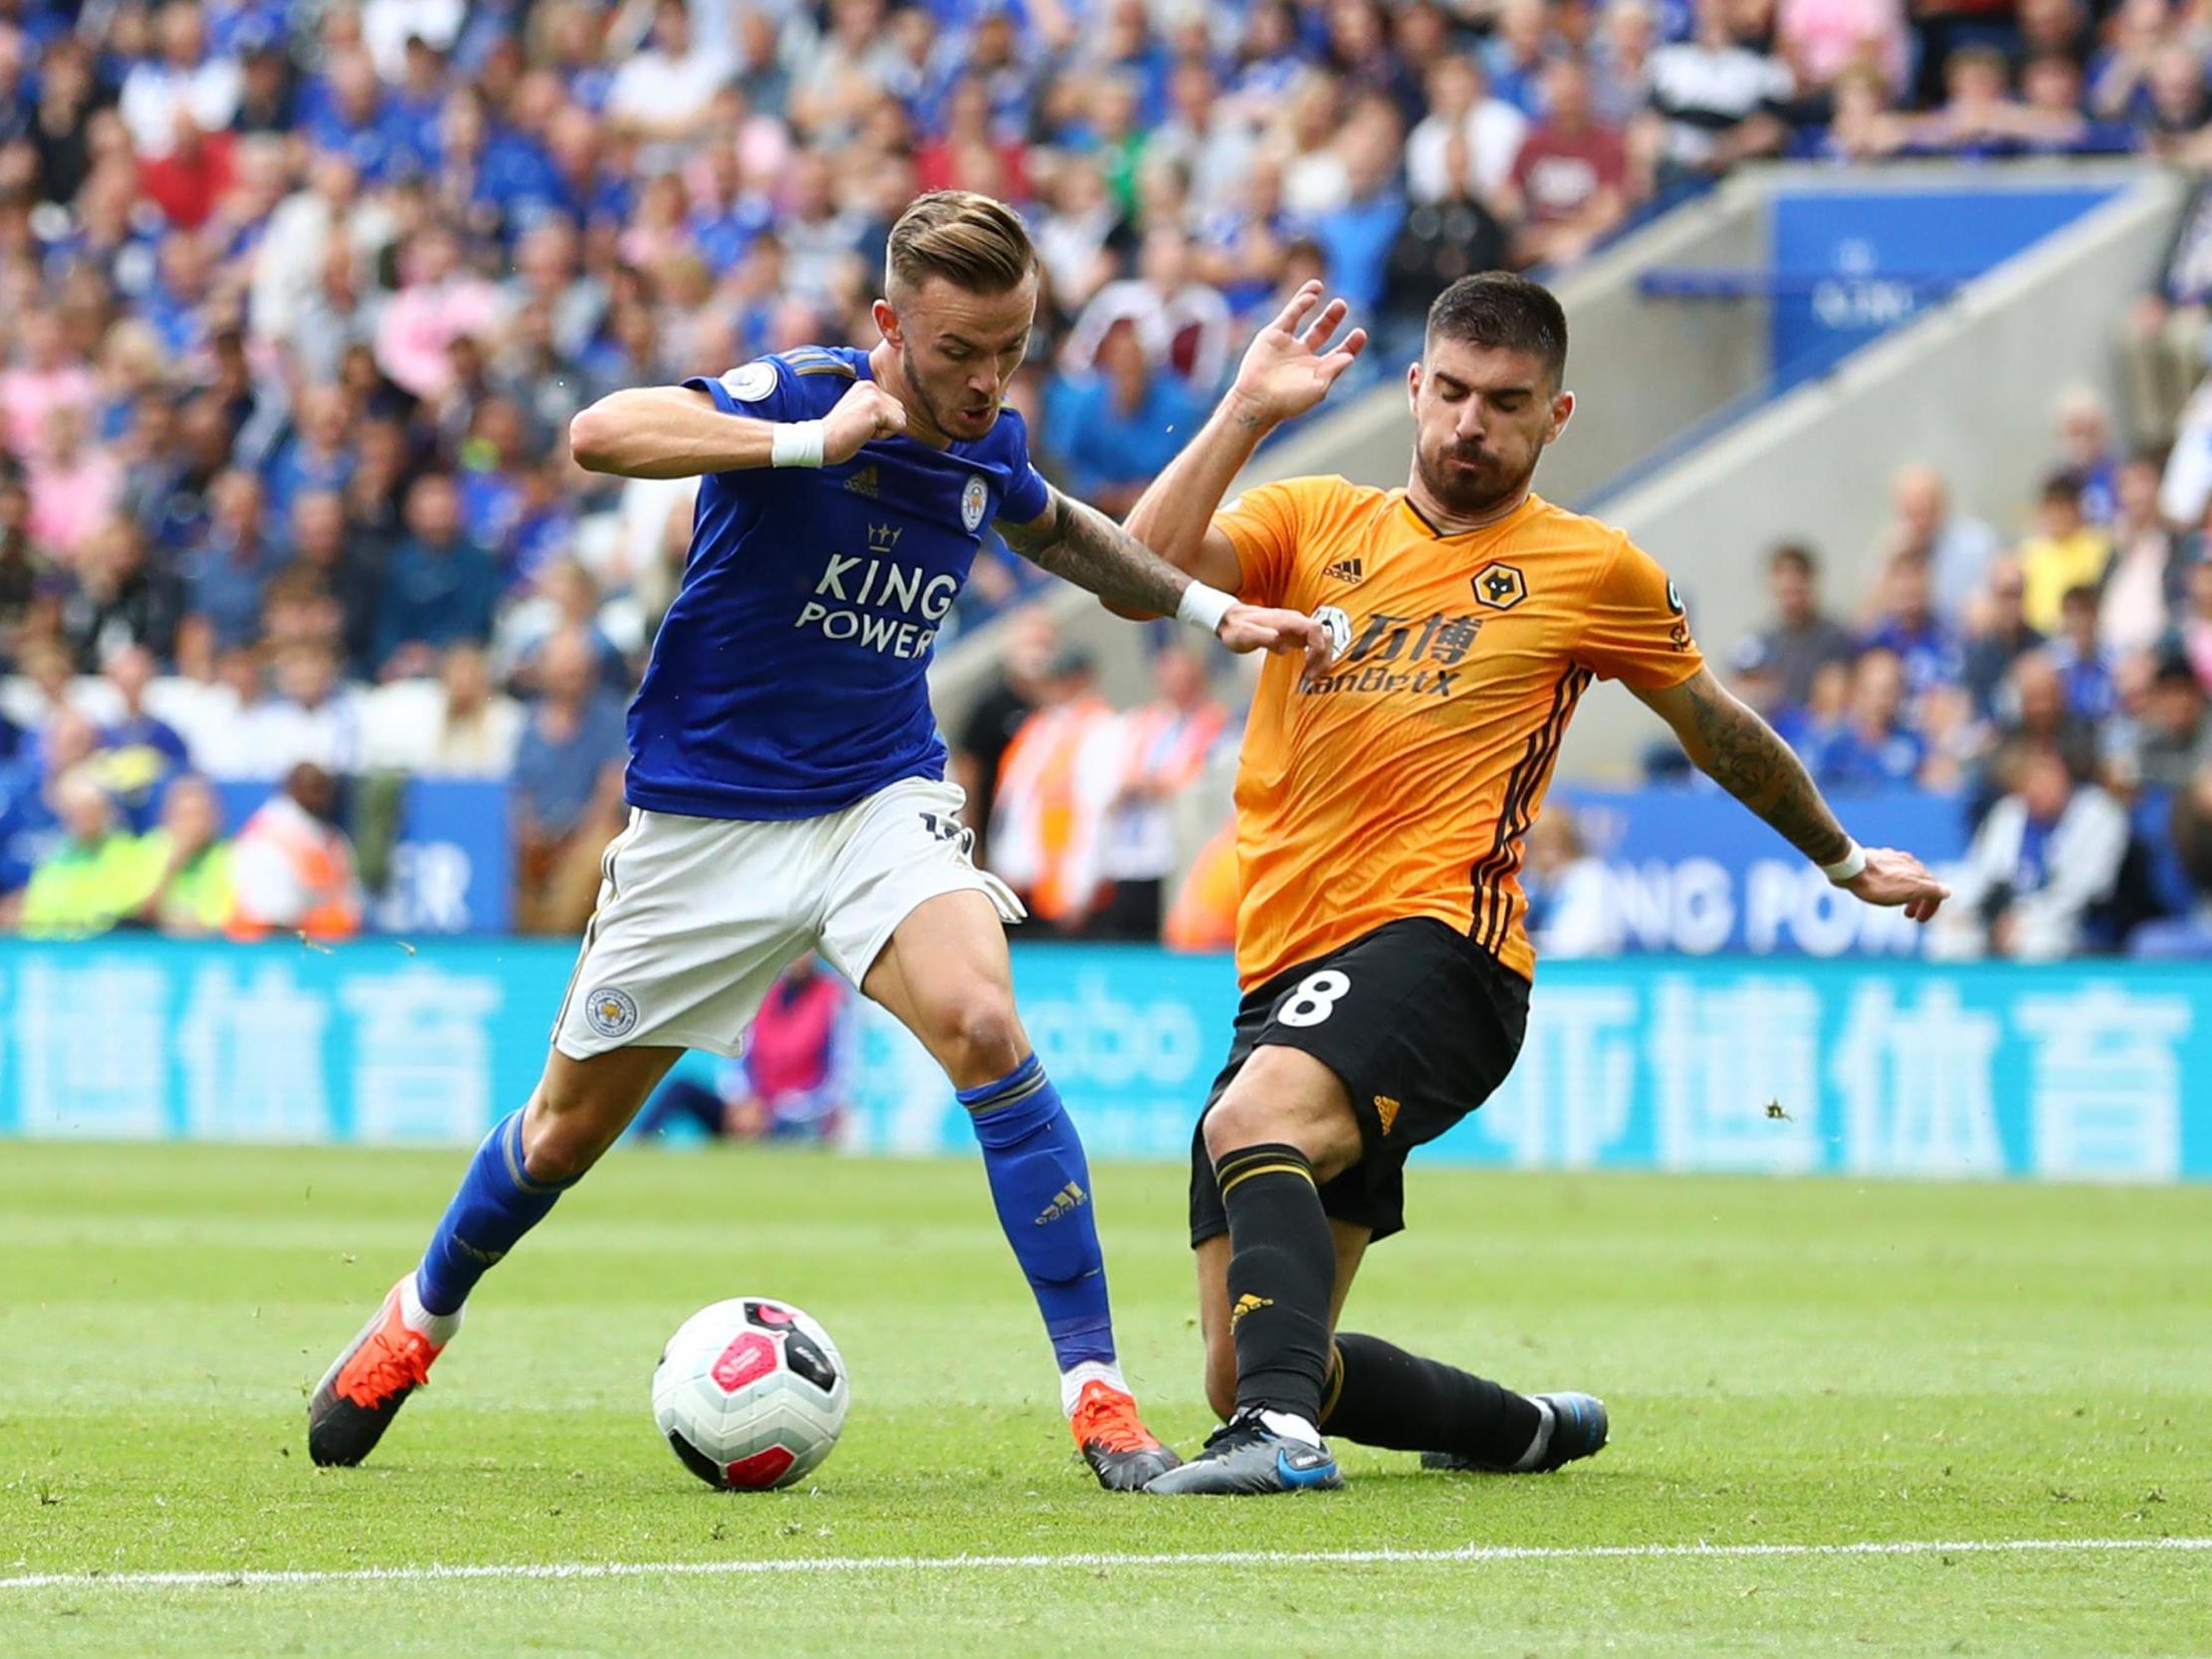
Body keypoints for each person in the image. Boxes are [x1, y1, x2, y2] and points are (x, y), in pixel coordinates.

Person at [306, 191, 1329, 1490]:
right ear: (892, 323)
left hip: (871, 804)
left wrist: (1201, 606)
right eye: (959, 349)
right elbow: (598, 429)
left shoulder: (985, 444)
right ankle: (420, 1314)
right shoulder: (798, 391)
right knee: (562, 1130)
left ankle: (1100, 1398)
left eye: (1009, 348)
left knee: (984, 1023)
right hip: (704, 828)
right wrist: (793, 444)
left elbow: (1073, 538)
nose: (984, 379)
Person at [1120, 273, 1947, 1495]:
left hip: (1445, 949)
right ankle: (1521, 1427)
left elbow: (1714, 727)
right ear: (1412, 389)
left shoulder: (1588, 567)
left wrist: (1840, 858)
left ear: (1553, 417)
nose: (1469, 423)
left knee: (1248, 1123)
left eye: (1504, 403)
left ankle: (1280, 1447)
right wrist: (1244, 409)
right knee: (1247, 1362)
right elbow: (1135, 567)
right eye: (1449, 392)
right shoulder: (1309, 520)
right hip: (1285, 963)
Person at [1929, 741, 2127, 960]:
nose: (2039, 787)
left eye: (2048, 777)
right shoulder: (2011, 812)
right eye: (2031, 779)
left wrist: (2026, 919)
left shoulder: (2099, 813)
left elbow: (2084, 889)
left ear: (2065, 777)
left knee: (2035, 942)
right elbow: (1983, 872)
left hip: (2077, 924)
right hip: (2006, 914)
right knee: (1952, 935)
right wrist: (1958, 908)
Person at [634, 957, 851, 1142]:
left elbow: (838, 1078)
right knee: (680, 1089)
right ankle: (637, 1149)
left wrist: (776, 1110)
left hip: (796, 1115)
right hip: (750, 1107)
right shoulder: (765, 991)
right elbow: (738, 1056)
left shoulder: (833, 997)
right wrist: (743, 1101)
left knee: (795, 1131)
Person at [227, 761, 363, 939]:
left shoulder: (329, 837)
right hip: (266, 936)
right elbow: (270, 910)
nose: (320, 797)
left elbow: (348, 906)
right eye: (313, 788)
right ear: (292, 788)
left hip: (310, 936)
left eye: (323, 789)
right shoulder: (267, 831)